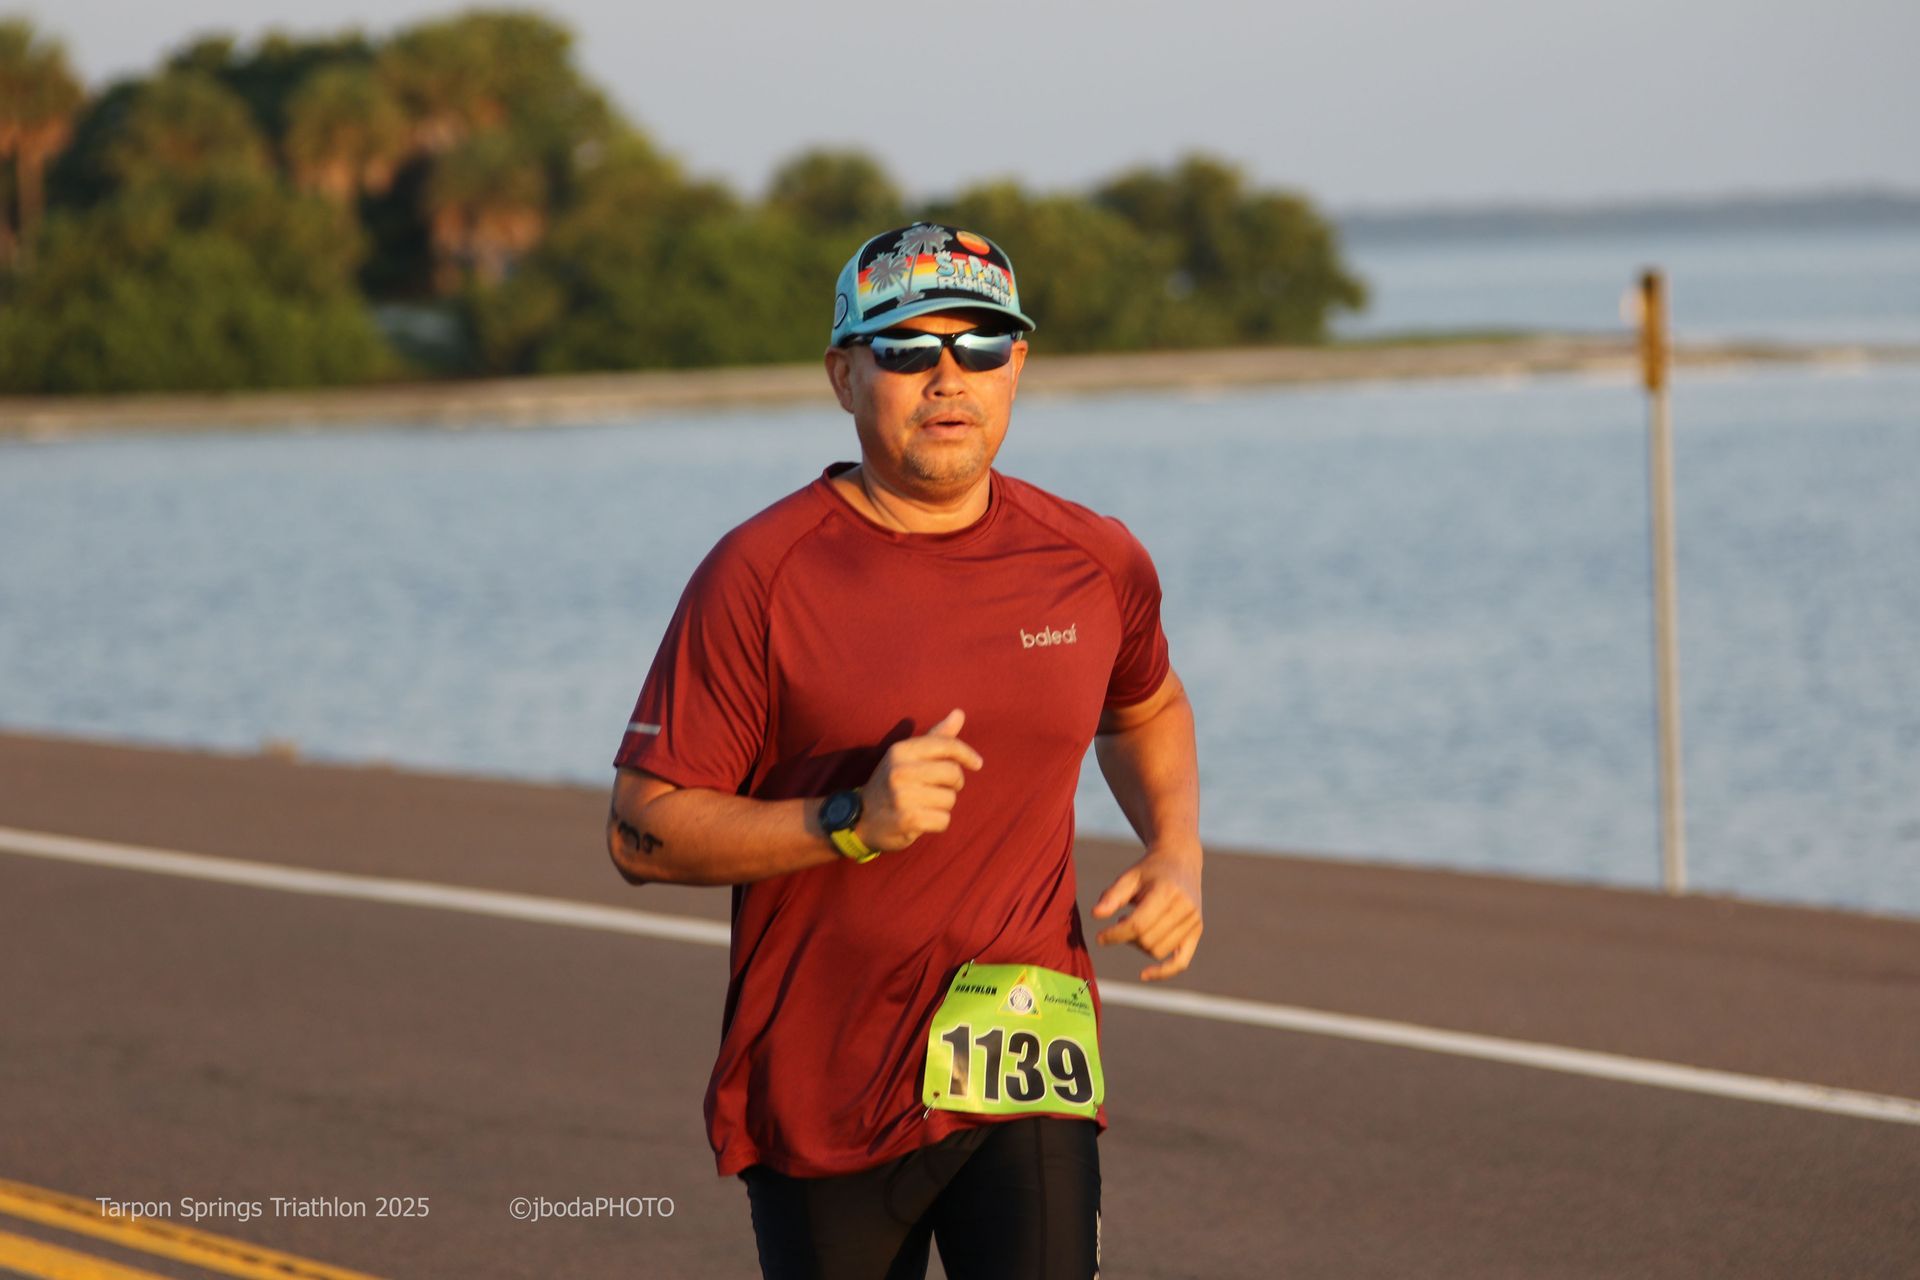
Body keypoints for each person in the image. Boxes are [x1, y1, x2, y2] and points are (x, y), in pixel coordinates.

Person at [605, 222, 1204, 1280]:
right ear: (843, 375)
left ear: (1017, 365)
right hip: (825, 1083)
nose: (947, 376)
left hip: (1022, 1053)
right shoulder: (761, 574)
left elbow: (1146, 703)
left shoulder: (1093, 559)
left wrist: (1176, 850)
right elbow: (638, 831)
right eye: (906, 348)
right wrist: (848, 820)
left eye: (981, 345)